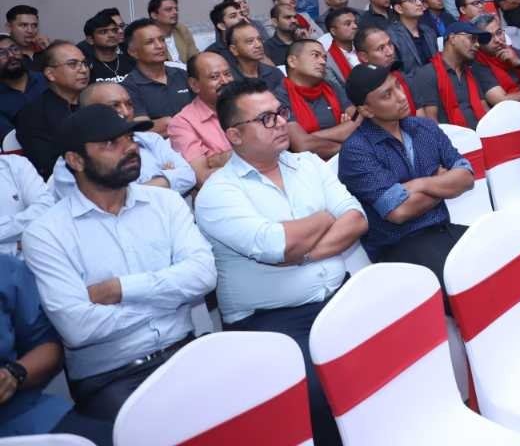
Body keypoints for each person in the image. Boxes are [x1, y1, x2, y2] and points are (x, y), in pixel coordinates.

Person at [195, 79, 367, 446]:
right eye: (266, 119)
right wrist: (324, 218)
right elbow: (276, 247)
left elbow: (356, 219)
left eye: (281, 113)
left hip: (337, 297)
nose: (280, 124)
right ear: (234, 135)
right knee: (323, 393)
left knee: (389, 355)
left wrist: (302, 253)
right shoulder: (218, 192)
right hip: (272, 321)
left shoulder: (307, 164)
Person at [22, 105, 216, 422]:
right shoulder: (46, 234)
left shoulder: (166, 203)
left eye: (129, 138)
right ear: (75, 160)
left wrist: (119, 289)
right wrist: (170, 300)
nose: (129, 149)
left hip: (185, 352)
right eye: (110, 143)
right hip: (112, 377)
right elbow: (78, 328)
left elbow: (204, 276)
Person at [337, 64, 474, 286]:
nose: (401, 97)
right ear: (366, 110)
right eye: (387, 95)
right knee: (468, 281)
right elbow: (399, 211)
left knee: (504, 254)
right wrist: (444, 183)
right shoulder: (356, 150)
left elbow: (467, 177)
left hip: (443, 230)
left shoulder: (424, 127)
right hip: (401, 249)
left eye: (398, 86)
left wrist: (419, 184)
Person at [0, 254, 115, 442]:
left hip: (21, 417)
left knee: (116, 439)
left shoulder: (6, 270)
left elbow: (47, 347)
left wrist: (13, 374)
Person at [44, 82, 197, 203]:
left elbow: (188, 176)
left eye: (129, 104)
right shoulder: (74, 160)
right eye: (114, 106)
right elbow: (94, 204)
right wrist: (166, 179)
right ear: (89, 111)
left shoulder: (150, 139)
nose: (126, 112)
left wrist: (127, 191)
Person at [275, 39, 362, 159]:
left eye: (324, 57)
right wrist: (344, 138)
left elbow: (359, 119)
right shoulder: (279, 96)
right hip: (313, 165)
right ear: (292, 61)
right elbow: (302, 145)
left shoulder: (330, 86)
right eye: (315, 55)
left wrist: (313, 136)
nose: (323, 62)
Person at [14, 42, 89, 179]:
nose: (83, 70)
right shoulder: (33, 115)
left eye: (84, 63)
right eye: (73, 64)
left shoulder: (95, 100)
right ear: (50, 74)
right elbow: (47, 165)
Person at [414, 22, 503, 128]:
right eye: (472, 39)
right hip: (452, 136)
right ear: (452, 38)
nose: (477, 45)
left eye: (478, 41)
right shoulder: (428, 73)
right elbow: (431, 121)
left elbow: (484, 108)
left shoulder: (471, 72)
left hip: (482, 132)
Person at [167, 52, 235, 186]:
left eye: (227, 74)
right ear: (194, 85)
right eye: (215, 77)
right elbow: (201, 177)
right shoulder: (182, 123)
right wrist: (245, 156)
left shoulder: (248, 105)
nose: (225, 81)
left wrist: (223, 159)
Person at [470, 13, 520, 100]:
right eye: (488, 37)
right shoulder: (479, 66)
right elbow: (503, 102)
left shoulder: (513, 51)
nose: (498, 40)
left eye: (499, 33)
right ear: (478, 42)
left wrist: (519, 63)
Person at [0, 35, 46, 138]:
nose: (11, 55)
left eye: (15, 49)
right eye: (2, 53)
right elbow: (9, 139)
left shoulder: (46, 80)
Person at [386, 0, 436, 78]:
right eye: (412, 0)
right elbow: (396, 73)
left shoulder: (429, 31)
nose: (419, 3)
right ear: (399, 8)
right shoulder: (391, 36)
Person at [225, 23, 283, 92]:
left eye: (259, 39)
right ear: (234, 49)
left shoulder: (274, 74)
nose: (258, 45)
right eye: (250, 41)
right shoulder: (228, 79)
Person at [82, 13, 134, 85]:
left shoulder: (132, 62)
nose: (112, 35)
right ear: (90, 39)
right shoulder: (86, 68)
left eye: (114, 30)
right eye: (103, 32)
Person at [321, 7, 360, 87]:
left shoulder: (365, 47)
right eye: (348, 24)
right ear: (333, 31)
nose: (355, 26)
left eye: (355, 22)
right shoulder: (327, 62)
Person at [264, 2, 307, 67]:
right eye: (288, 17)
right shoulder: (267, 48)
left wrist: (306, 42)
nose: (293, 20)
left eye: (295, 17)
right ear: (275, 22)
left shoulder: (302, 40)